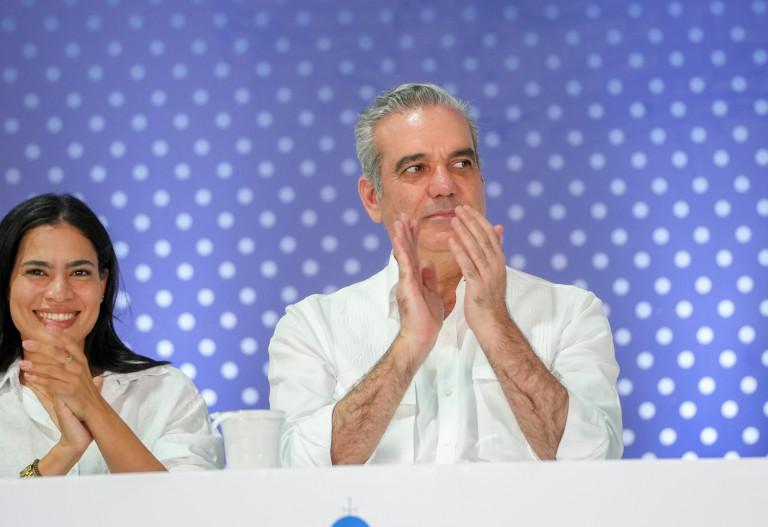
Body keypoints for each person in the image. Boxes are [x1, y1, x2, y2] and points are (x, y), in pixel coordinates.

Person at [268, 83, 623, 466]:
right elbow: (294, 472)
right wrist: (407, 346)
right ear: (372, 198)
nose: (444, 186)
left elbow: (597, 459)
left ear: (481, 180)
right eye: (416, 169)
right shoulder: (312, 327)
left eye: (462, 164)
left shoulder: (571, 312)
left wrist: (497, 325)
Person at [0, 193, 223, 477]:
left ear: (102, 284)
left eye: (80, 272)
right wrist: (65, 451)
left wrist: (95, 409)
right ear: (6, 284)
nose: (59, 292)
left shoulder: (166, 391)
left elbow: (188, 504)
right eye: (36, 271)